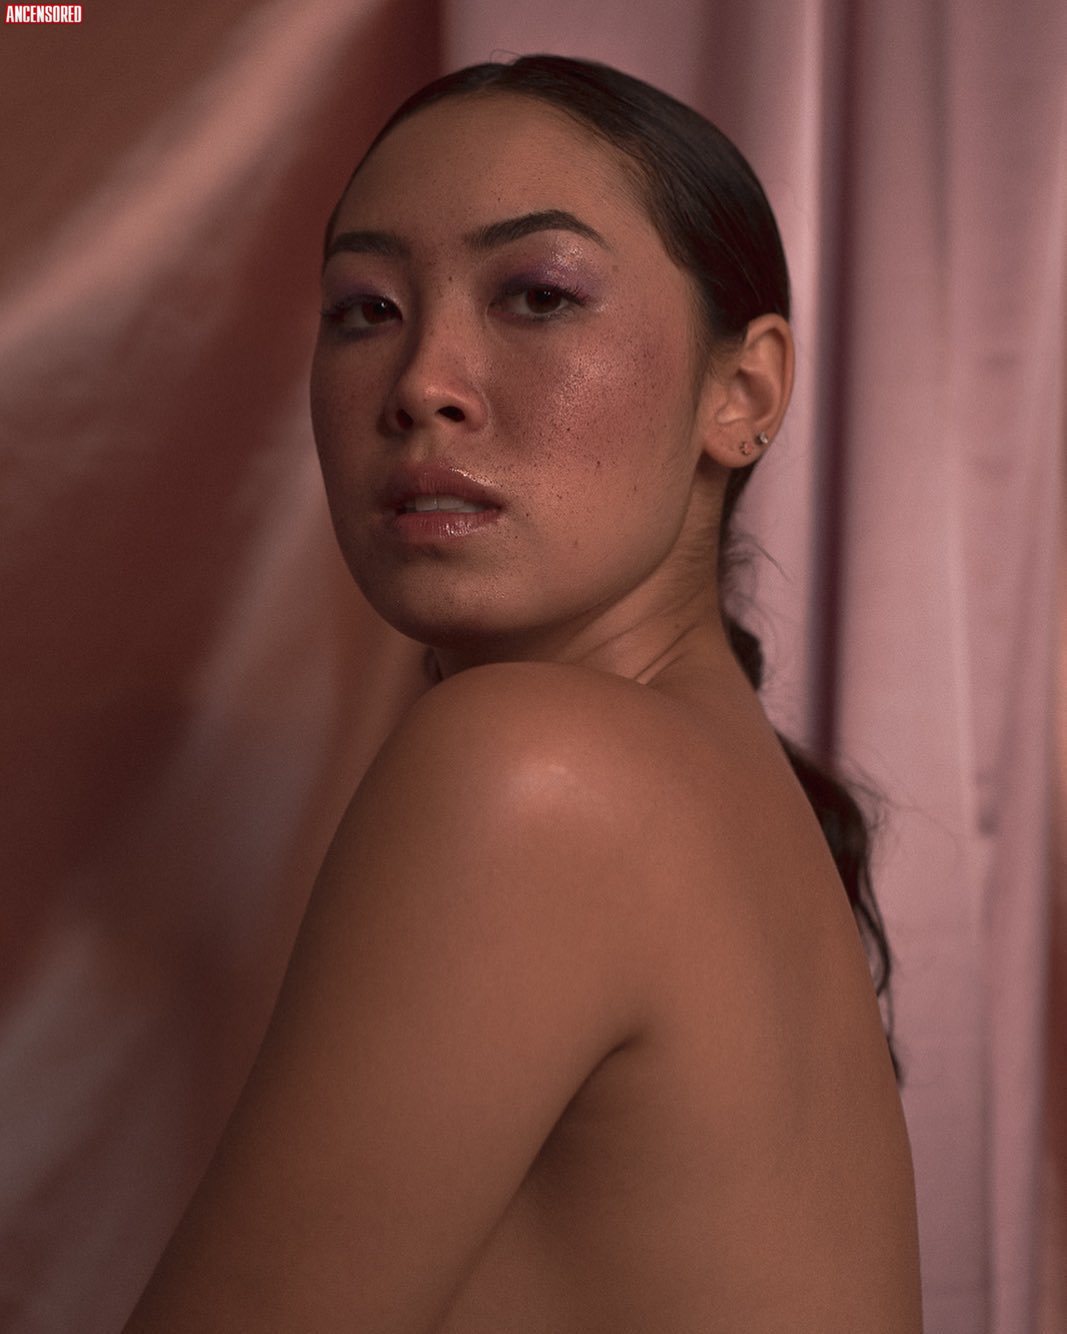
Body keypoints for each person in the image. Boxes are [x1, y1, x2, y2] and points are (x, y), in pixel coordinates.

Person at [123, 54, 923, 1332]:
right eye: (364, 309)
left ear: (742, 392)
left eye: (538, 295)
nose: (422, 382)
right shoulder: (715, 793)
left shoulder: (530, 766)